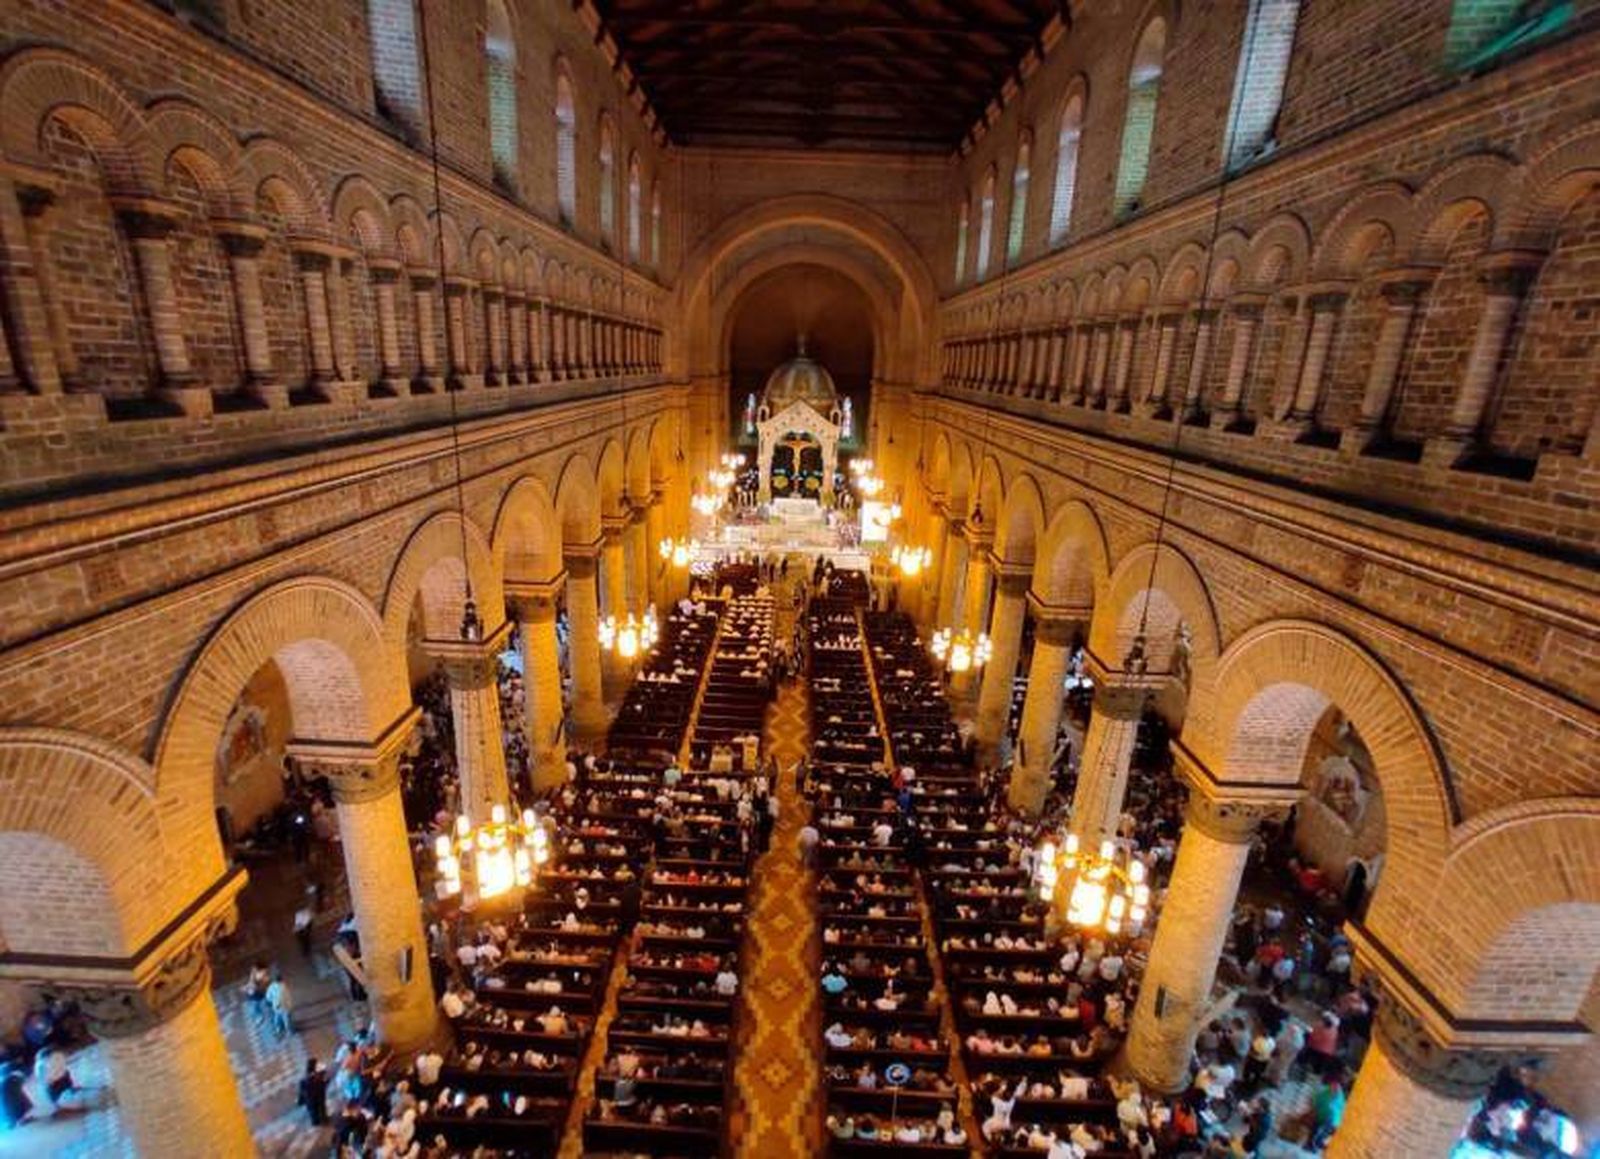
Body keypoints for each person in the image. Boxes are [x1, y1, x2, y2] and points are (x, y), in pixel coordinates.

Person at [1310, 1074, 1347, 1148]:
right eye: (1333, 1084)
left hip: (1331, 1121)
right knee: (1315, 1128)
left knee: (1323, 1133)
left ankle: (1319, 1144)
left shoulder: (1340, 1097)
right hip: (1321, 1116)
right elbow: (1316, 1098)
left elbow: (1339, 1110)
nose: (1334, 1086)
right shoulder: (1325, 1091)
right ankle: (1313, 1144)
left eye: (1336, 1085)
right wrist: (1314, 1107)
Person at [297, 1058, 328, 1126]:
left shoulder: (304, 1079)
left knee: (313, 1110)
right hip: (318, 1096)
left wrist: (301, 1099)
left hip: (310, 1098)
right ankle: (323, 1119)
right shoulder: (318, 1076)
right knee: (321, 1108)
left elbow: (302, 1091)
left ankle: (315, 1121)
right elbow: (323, 1083)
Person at [265, 969, 293, 1038]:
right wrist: (290, 1005)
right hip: (284, 1006)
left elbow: (268, 996)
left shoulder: (272, 987)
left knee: (278, 1018)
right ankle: (288, 1031)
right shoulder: (283, 986)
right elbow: (288, 996)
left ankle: (279, 1029)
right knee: (286, 1019)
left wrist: (271, 1001)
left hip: (277, 1006)